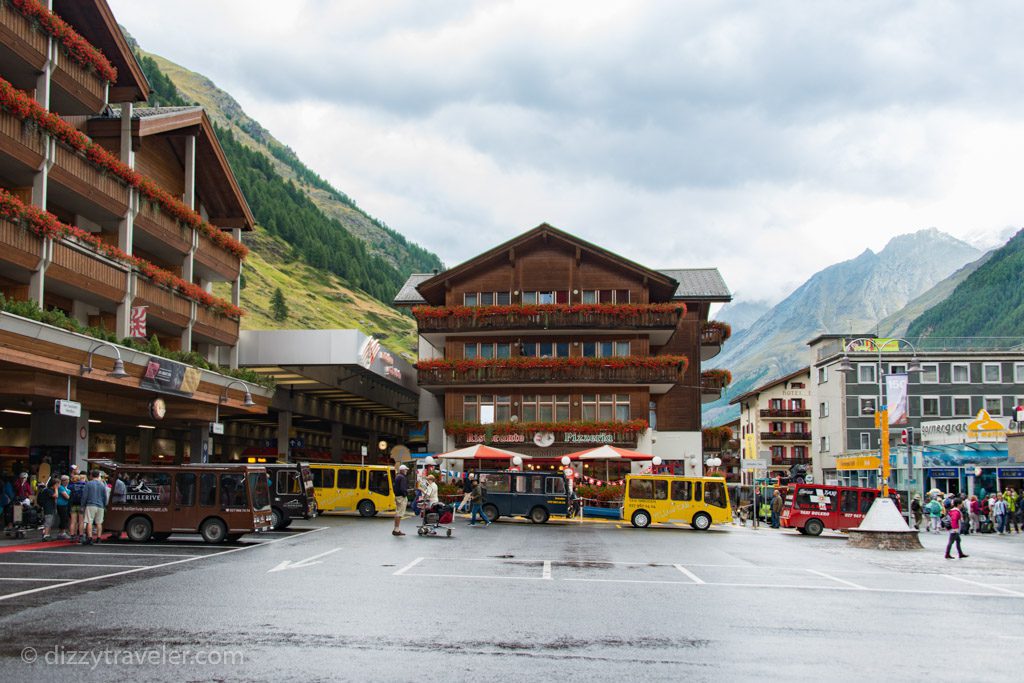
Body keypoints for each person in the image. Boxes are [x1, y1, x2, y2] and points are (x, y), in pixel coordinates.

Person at [79, 469, 108, 545]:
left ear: (91, 476)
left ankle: (90, 538)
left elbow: (84, 496)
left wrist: (82, 505)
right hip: (100, 505)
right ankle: (99, 538)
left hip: (91, 504)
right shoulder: (102, 484)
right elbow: (105, 496)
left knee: (89, 521)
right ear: (99, 476)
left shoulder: (88, 484)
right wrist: (104, 505)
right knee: (99, 522)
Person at [68, 473, 87, 542]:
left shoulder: (72, 486)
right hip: (81, 505)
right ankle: (81, 536)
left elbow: (69, 492)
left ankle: (72, 536)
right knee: (81, 521)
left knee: (73, 521)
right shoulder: (84, 485)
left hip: (73, 504)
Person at [392, 465, 409, 537]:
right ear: (402, 470)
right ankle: (396, 530)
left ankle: (396, 529)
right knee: (399, 513)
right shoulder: (402, 477)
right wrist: (405, 494)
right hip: (401, 497)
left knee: (398, 512)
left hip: (397, 496)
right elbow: (402, 488)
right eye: (406, 470)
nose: (406, 471)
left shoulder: (397, 476)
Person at [56, 475, 71, 540]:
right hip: (61, 505)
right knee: (63, 518)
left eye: (67, 480)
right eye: (65, 480)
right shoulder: (61, 487)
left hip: (66, 505)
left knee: (65, 518)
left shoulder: (67, 488)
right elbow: (67, 496)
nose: (67, 481)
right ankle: (62, 532)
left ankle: (61, 532)